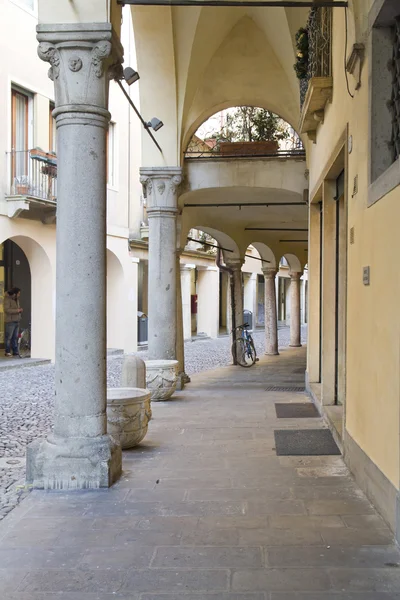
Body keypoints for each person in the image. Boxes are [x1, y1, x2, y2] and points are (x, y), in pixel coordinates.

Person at [4, 287, 23, 357]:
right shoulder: (7, 299)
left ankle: (15, 351)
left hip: (16, 320)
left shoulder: (16, 300)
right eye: (18, 293)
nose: (19, 295)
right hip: (10, 321)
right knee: (8, 337)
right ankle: (7, 351)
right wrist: (17, 311)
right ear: (15, 293)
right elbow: (6, 310)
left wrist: (19, 310)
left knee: (15, 337)